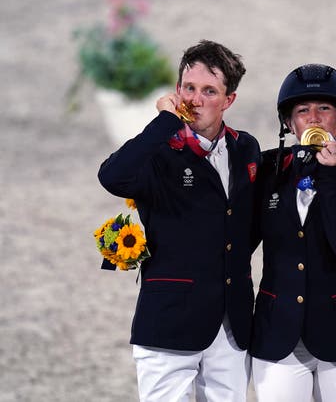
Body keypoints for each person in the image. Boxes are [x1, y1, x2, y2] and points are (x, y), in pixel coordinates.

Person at [98, 40, 260, 402]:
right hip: (168, 324)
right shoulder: (156, 151)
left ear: (228, 100)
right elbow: (112, 177)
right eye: (189, 88)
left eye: (209, 91)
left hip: (230, 327)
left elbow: (246, 226)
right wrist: (164, 121)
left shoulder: (245, 148)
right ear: (176, 91)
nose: (196, 100)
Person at [250, 64, 336, 402]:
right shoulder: (266, 171)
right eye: (303, 110)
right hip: (277, 332)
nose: (314, 118)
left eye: (325, 108)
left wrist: (331, 175)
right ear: (289, 124)